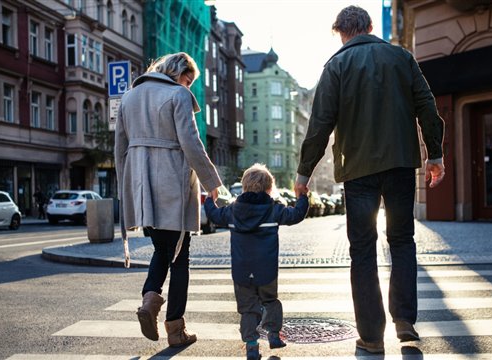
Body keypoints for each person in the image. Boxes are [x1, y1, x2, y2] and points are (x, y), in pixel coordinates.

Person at [294, 6, 446, 354]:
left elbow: (320, 125)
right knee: (402, 241)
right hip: (400, 163)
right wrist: (434, 154)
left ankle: (372, 336)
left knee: (363, 250)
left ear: (342, 32)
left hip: (357, 169)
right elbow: (427, 105)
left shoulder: (335, 66)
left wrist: (304, 173)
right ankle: (405, 320)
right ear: (370, 27)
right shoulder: (400, 57)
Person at [114, 52, 222, 348]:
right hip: (171, 182)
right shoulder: (178, 95)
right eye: (188, 80)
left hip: (141, 185)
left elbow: (119, 148)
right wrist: (212, 182)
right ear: (177, 73)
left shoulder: (129, 96)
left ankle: (150, 301)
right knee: (179, 256)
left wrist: (127, 189)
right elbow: (190, 142)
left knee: (163, 248)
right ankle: (174, 327)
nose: (188, 87)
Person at [204, 163, 309, 360]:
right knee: (270, 301)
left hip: (242, 271)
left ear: (244, 187)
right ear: (270, 188)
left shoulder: (233, 210)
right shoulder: (274, 209)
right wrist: (302, 197)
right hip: (267, 270)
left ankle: (252, 346)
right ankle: (274, 335)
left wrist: (211, 199)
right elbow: (296, 215)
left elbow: (214, 215)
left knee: (248, 309)